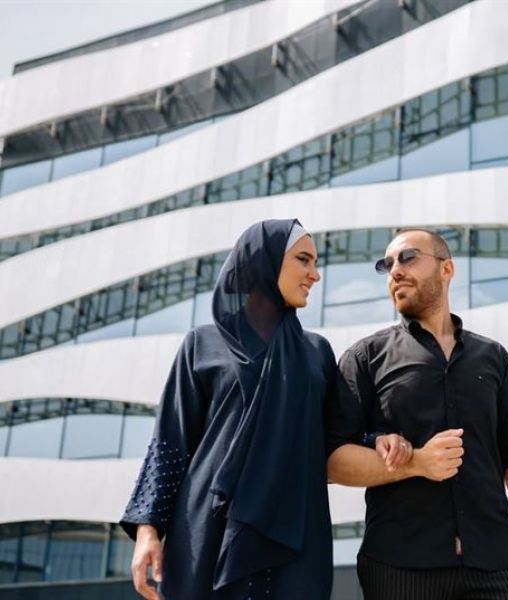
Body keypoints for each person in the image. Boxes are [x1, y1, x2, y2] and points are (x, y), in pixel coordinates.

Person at [119, 219, 412, 599]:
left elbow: (333, 435)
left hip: (295, 535)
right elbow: (170, 445)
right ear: (264, 260)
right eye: (304, 260)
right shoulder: (201, 345)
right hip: (206, 531)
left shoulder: (315, 352)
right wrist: (147, 532)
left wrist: (378, 439)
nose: (315, 274)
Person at [327, 228, 508, 600]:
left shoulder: (492, 357)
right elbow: (331, 461)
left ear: (447, 270)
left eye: (408, 257)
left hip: (496, 566)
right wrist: (416, 463)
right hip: (400, 568)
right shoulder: (365, 358)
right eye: (387, 264)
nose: (395, 270)